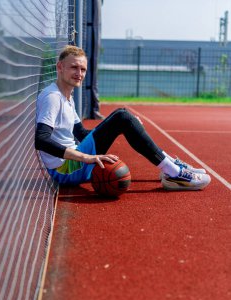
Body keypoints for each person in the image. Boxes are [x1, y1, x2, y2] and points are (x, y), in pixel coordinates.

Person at [35, 45, 211, 191]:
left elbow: (80, 133)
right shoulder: (53, 97)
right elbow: (41, 139)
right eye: (74, 67)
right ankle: (174, 173)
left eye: (83, 69)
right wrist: (86, 158)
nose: (79, 73)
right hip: (65, 171)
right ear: (59, 67)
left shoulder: (66, 96)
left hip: (72, 162)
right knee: (122, 117)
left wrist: (129, 127)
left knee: (123, 118)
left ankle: (172, 166)